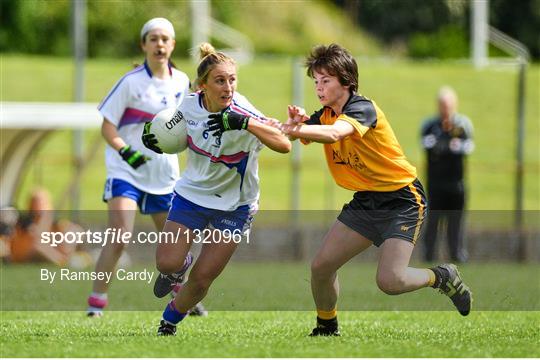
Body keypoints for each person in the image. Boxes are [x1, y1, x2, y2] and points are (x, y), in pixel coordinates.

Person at [280, 44, 472, 336]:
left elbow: (333, 134)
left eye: (325, 80)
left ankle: (441, 276)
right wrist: (285, 125)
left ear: (346, 80)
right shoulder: (326, 115)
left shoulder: (362, 108)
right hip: (367, 199)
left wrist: (297, 129)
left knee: (390, 281)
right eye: (315, 81)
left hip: (403, 199)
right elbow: (302, 131)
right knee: (321, 267)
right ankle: (327, 326)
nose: (318, 88)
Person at [141, 42, 291, 336]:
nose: (228, 87)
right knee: (166, 262)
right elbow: (171, 132)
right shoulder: (187, 106)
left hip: (236, 205)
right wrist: (155, 139)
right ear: (202, 87)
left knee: (202, 279)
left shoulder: (243, 110)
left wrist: (244, 122)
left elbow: (284, 144)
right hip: (192, 196)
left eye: (232, 79)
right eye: (220, 80)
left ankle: (169, 321)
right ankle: (179, 266)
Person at [86, 17, 195, 317]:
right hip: (127, 171)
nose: (159, 44)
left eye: (165, 39)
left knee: (174, 242)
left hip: (163, 174)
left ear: (172, 45)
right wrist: (126, 152)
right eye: (153, 39)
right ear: (143, 45)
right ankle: (96, 303)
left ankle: (184, 296)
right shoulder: (131, 82)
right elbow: (108, 127)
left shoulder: (182, 82)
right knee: (120, 236)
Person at [421, 87, 474, 263]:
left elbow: (468, 147)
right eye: (442, 104)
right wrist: (446, 146)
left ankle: (457, 255)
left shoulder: (463, 124)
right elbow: (426, 144)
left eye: (448, 104)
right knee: (433, 221)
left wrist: (448, 147)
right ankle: (429, 256)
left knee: (456, 223)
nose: (445, 108)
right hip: (436, 184)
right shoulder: (430, 125)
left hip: (456, 184)